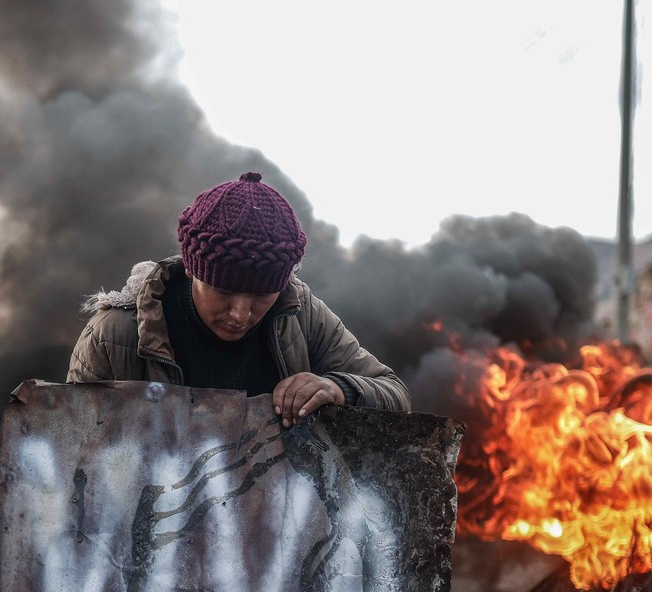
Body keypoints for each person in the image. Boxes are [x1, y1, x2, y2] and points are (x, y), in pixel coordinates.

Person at [68, 171, 410, 425]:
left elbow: (394, 393)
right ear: (191, 269)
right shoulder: (116, 335)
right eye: (225, 291)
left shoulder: (300, 314)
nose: (241, 314)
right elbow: (71, 448)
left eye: (262, 294)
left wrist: (337, 389)